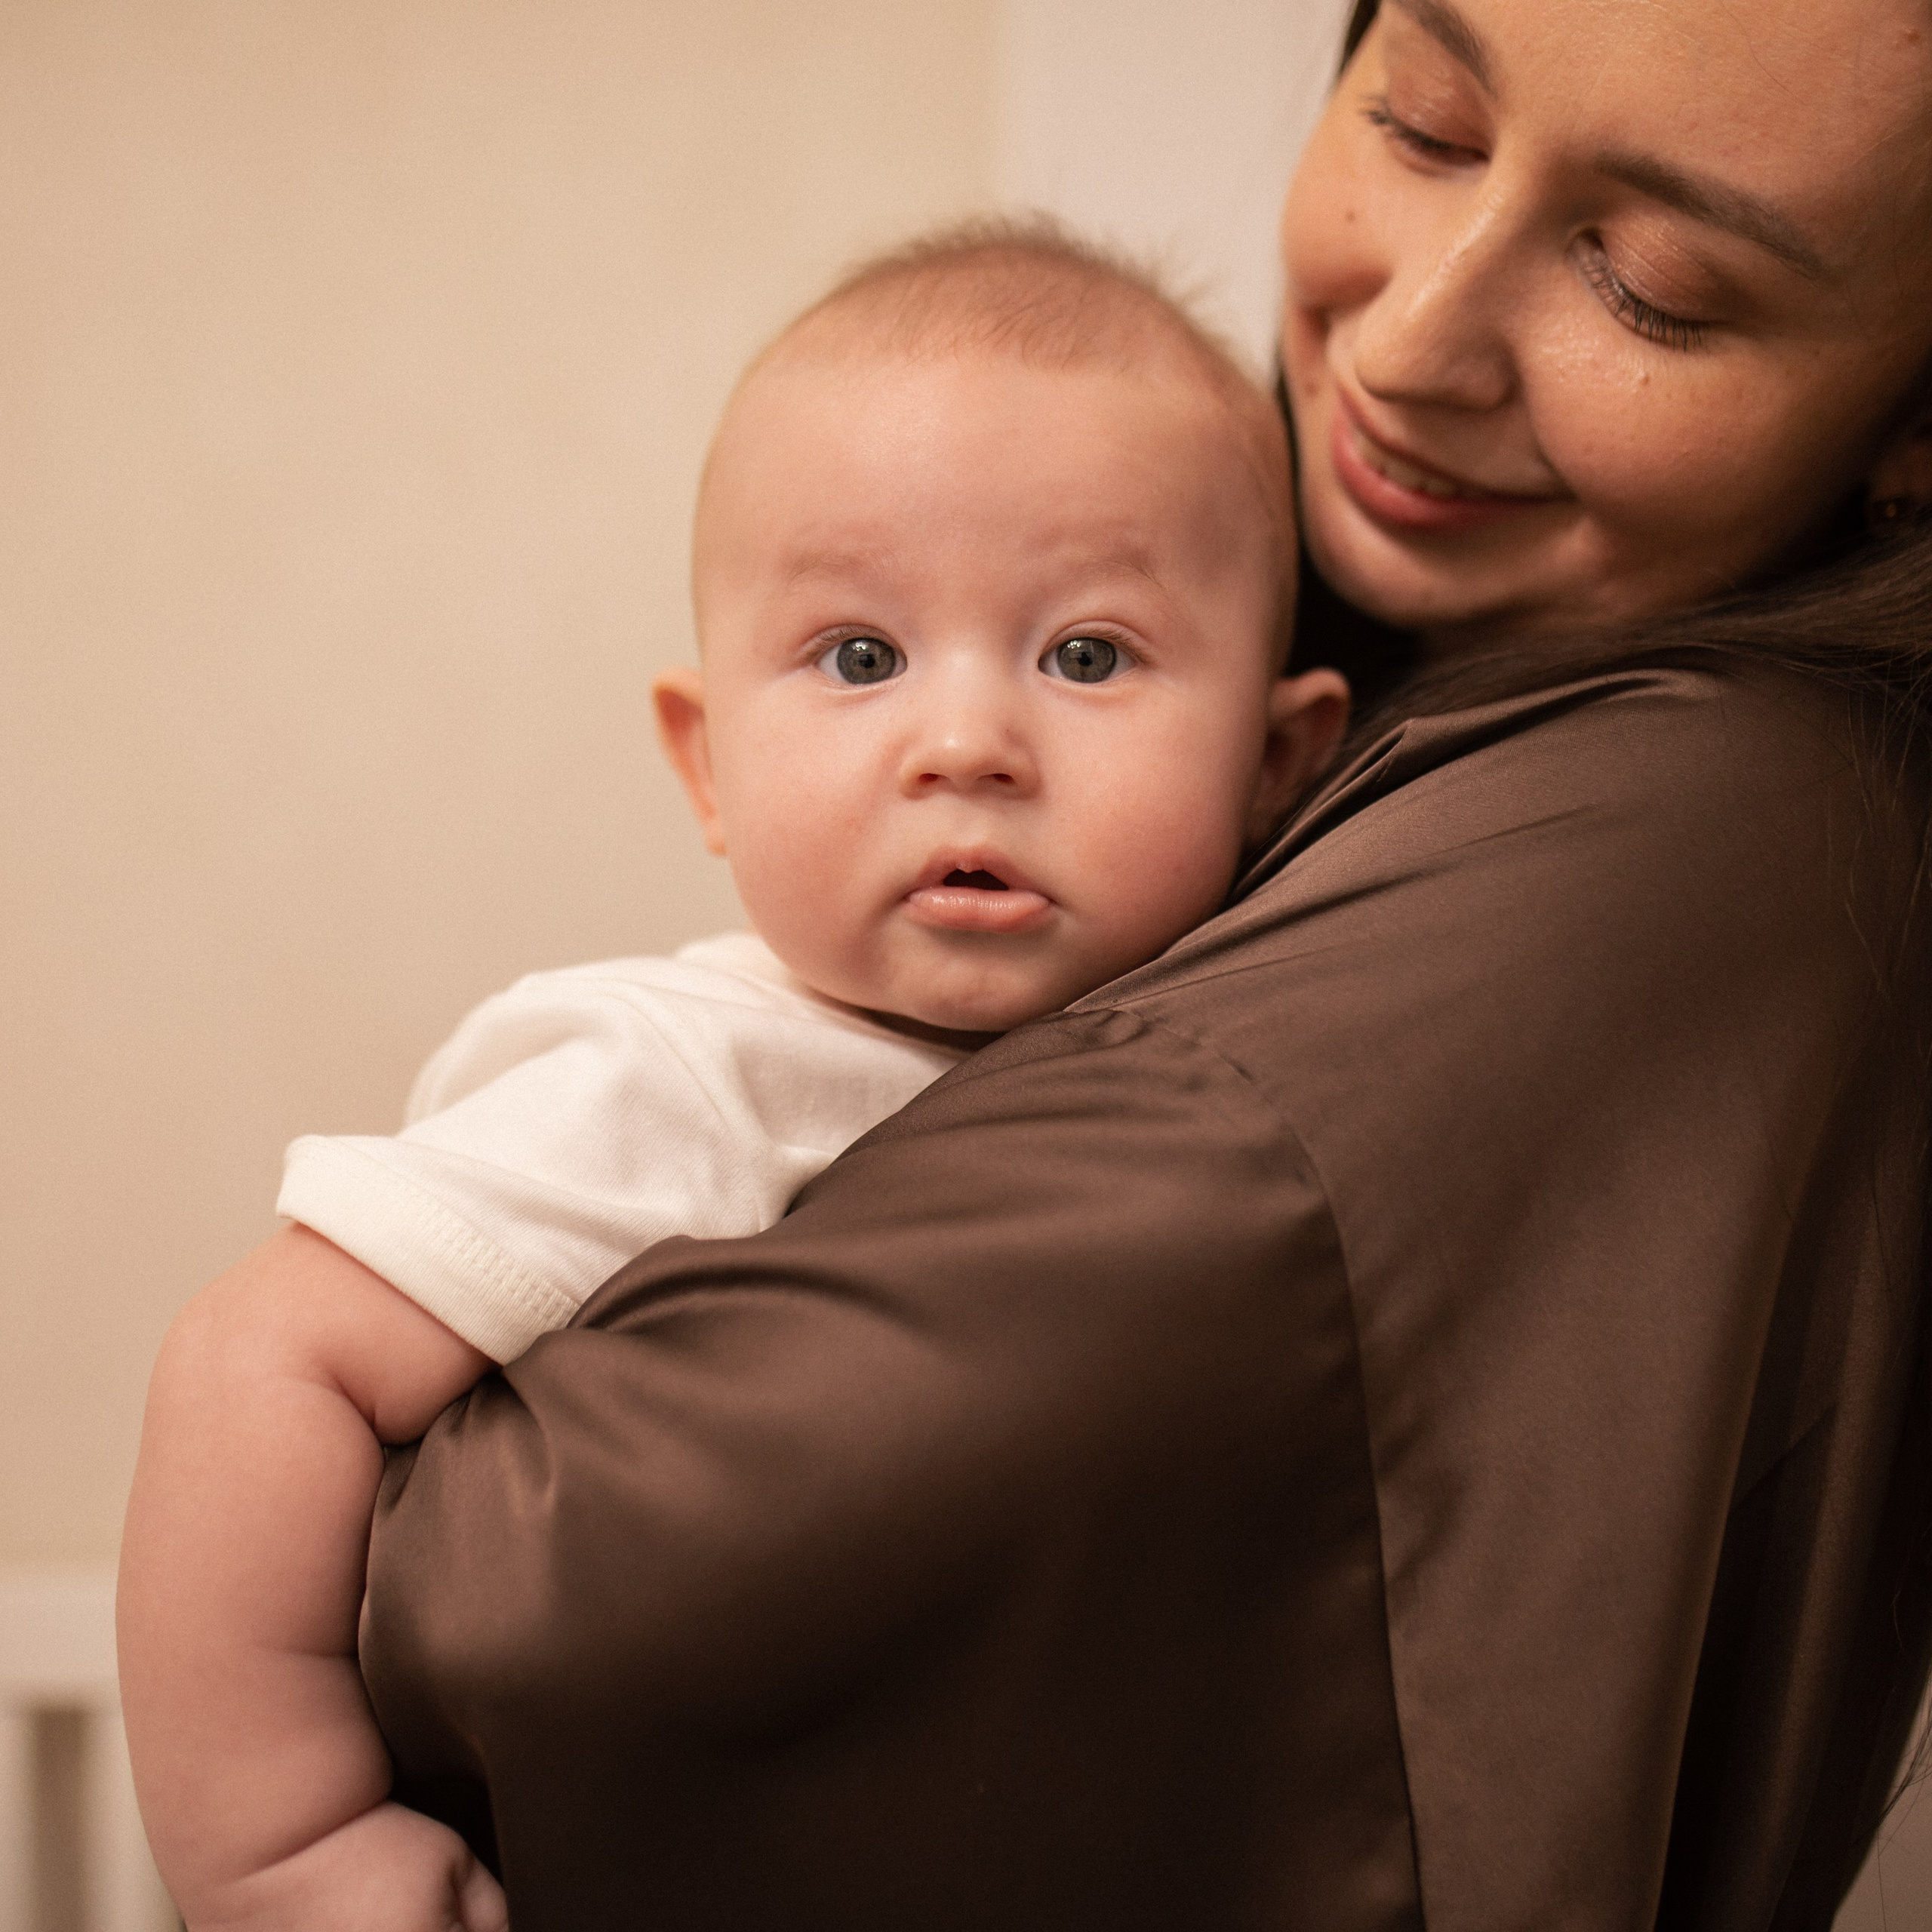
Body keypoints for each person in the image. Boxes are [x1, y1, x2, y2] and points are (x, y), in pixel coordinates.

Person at [325, 0, 1932, 1927]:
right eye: (1420, 124)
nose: (1406, 343)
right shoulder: (663, 1058)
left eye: (1651, 284)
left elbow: (533, 1594)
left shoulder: (1688, 829)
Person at [113, 229, 1349, 1932]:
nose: (965, 740)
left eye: (1084, 655)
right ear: (707, 761)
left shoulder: (1256, 1057)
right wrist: (287, 1843)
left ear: (1278, 763)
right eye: (858, 658)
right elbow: (253, 1360)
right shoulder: (684, 1072)